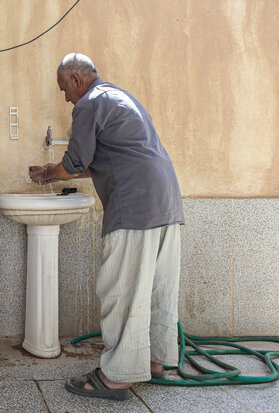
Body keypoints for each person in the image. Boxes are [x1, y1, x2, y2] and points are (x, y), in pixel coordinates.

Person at [29, 53, 185, 401]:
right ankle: (156, 360)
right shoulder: (119, 97)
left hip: (135, 205)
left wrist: (46, 174)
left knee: (122, 288)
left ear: (75, 81)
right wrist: (58, 169)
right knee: (159, 288)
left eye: (64, 90)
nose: (66, 98)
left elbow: (74, 162)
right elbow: (101, 161)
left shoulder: (89, 104)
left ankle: (116, 377)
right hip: (167, 201)